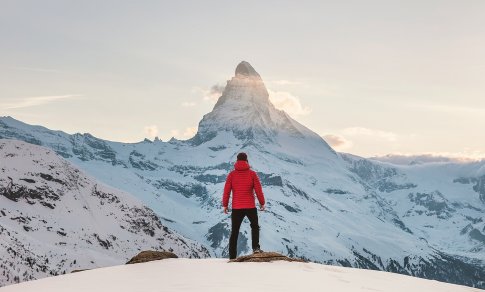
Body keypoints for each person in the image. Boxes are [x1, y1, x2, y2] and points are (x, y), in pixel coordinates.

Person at [222, 152, 266, 259]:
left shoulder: (231, 174)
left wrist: (225, 205)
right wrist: (262, 203)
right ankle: (255, 248)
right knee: (254, 226)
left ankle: (232, 256)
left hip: (236, 208)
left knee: (235, 231)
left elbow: (226, 191)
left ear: (236, 161)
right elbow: (258, 190)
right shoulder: (252, 174)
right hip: (250, 206)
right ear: (246, 160)